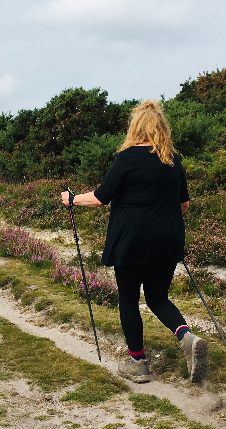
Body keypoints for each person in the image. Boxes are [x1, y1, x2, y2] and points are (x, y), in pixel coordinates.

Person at [60, 100, 208, 385]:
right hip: (167, 240)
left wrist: (71, 199)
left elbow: (101, 197)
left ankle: (138, 362)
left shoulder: (126, 158)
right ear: (161, 127)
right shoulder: (172, 159)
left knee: (128, 299)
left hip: (131, 241)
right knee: (157, 297)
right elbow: (184, 204)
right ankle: (187, 338)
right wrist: (161, 214)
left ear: (135, 127)